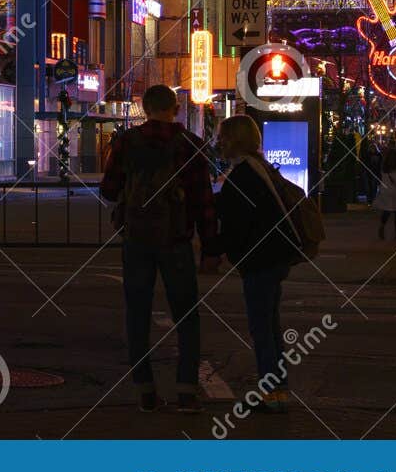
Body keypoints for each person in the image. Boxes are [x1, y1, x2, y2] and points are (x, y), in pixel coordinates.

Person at [100, 84, 222, 414]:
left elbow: (109, 191)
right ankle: (185, 391)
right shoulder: (190, 146)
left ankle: (146, 390)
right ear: (176, 109)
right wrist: (211, 248)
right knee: (186, 316)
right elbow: (204, 202)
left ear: (144, 107)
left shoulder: (126, 143)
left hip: (137, 240)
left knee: (137, 315)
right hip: (176, 241)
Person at [215, 115, 301, 415]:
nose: (219, 143)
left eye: (223, 137)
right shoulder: (260, 168)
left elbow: (236, 224)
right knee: (270, 327)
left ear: (234, 140)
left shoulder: (242, 177)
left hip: (260, 260)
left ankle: (271, 393)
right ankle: (279, 389)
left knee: (261, 329)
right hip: (276, 257)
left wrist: (218, 252)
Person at [373, 147, 396, 240]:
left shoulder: (384, 167)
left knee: (387, 210)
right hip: (395, 191)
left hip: (385, 190)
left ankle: (382, 225)